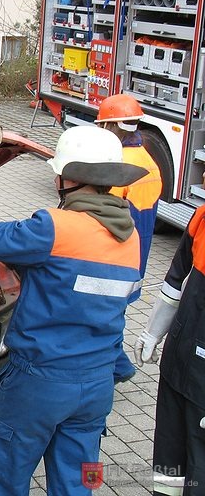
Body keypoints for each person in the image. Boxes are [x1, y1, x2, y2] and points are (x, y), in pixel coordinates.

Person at [0, 122, 147, 495]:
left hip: (37, 386)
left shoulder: (54, 227)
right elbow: (108, 307)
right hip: (96, 389)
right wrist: (118, 368)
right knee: (81, 482)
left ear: (66, 178)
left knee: (5, 483)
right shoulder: (130, 236)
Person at [135, 203, 205, 495]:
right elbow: (176, 279)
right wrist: (153, 332)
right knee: (168, 464)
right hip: (178, 363)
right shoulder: (202, 216)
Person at [94, 92, 163, 383]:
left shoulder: (118, 165)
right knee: (115, 312)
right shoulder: (148, 160)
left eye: (101, 126)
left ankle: (119, 366)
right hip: (139, 256)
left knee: (105, 316)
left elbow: (103, 215)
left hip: (116, 254)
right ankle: (118, 364)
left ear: (112, 126)